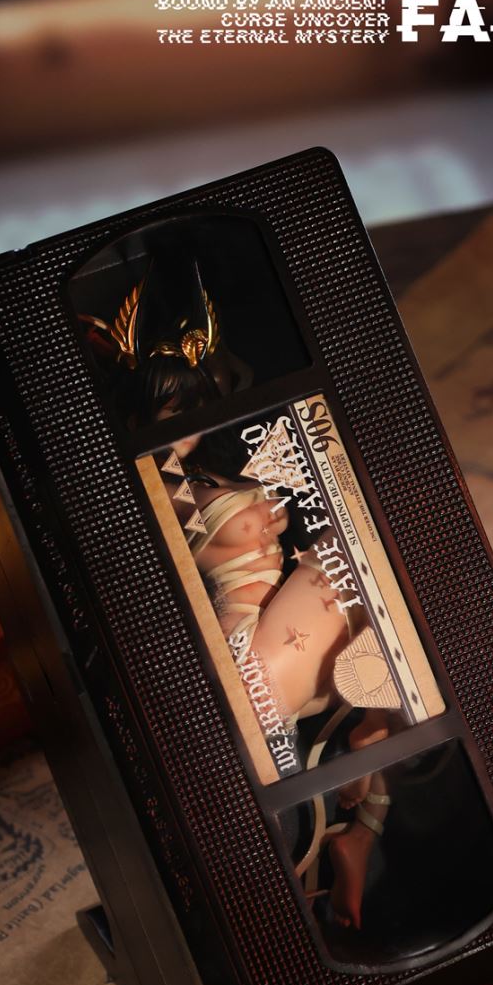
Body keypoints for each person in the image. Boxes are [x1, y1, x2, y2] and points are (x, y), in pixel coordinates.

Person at [83, 259, 395, 929]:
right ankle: (350, 811)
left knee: (382, 566)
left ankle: (363, 817)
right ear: (141, 414)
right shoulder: (162, 489)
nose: (185, 422)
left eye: (192, 406)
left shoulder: (204, 474)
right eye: (170, 410)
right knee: (364, 558)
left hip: (281, 627)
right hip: (248, 642)